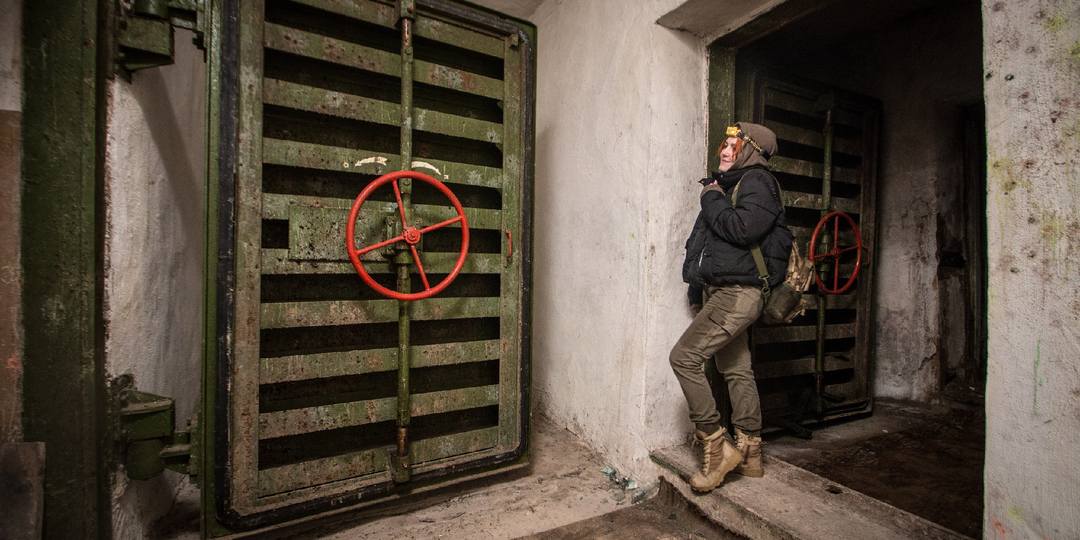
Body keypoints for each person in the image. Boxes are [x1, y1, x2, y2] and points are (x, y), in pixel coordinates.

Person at [670, 122, 792, 492]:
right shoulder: (730, 184)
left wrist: (710, 197)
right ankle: (751, 453)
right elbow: (709, 245)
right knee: (735, 367)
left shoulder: (757, 182)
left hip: (738, 294)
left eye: (734, 146)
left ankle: (716, 445)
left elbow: (742, 229)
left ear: (752, 151)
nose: (725, 151)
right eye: (725, 144)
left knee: (684, 358)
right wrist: (697, 287)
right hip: (725, 290)